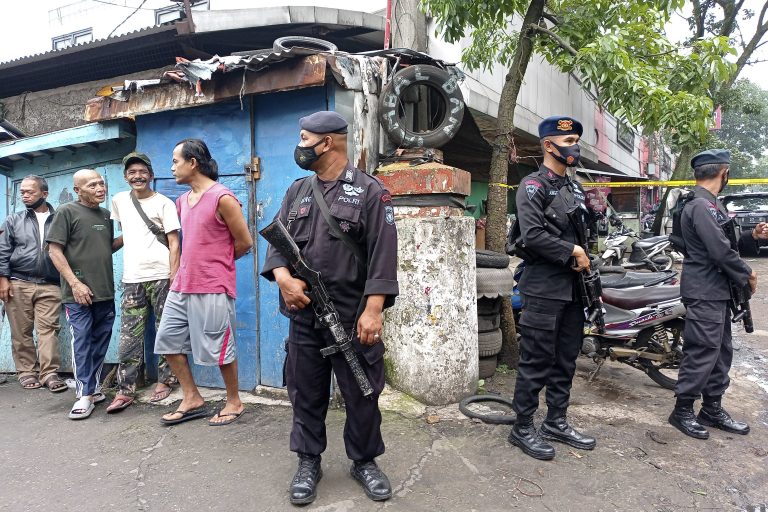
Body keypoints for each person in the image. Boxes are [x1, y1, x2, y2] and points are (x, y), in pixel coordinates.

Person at [261, 111, 399, 505]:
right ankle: (308, 461)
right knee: (305, 392)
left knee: (362, 391)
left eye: (305, 138)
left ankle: (365, 461)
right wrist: (284, 279)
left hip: (353, 318)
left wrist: (374, 310)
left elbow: (383, 255)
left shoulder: (371, 192)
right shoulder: (297, 191)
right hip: (305, 316)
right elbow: (278, 244)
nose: (300, 146)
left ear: (329, 142)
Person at [508, 116, 596, 461]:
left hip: (574, 289)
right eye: (569, 139)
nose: (575, 146)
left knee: (566, 359)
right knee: (536, 360)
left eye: (576, 139)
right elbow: (532, 236)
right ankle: (523, 426)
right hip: (544, 287)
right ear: (549, 145)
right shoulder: (533, 186)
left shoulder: (574, 187)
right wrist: (572, 251)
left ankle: (556, 421)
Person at [668, 149, 768, 439]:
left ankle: (712, 408)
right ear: (724, 172)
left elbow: (726, 241)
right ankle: (683, 411)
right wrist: (747, 273)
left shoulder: (711, 204)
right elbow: (719, 251)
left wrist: (752, 236)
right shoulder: (700, 205)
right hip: (705, 290)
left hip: (717, 291)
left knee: (720, 352)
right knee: (701, 352)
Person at [154, 139, 253, 427]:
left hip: (212, 285)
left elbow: (244, 242)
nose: (172, 167)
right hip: (183, 284)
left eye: (175, 161)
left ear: (192, 163)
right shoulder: (182, 201)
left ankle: (234, 401)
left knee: (219, 347)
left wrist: (215, 264)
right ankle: (192, 397)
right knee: (168, 342)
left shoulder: (223, 198)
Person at [105, 152, 181, 413]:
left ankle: (166, 380)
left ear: (150, 175)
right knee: (129, 336)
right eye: (131, 172)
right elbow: (127, 233)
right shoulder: (119, 201)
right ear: (125, 177)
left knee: (165, 330)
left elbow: (174, 241)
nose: (137, 176)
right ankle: (125, 389)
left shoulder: (164, 203)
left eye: (141, 172)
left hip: (161, 275)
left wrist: (174, 272)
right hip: (132, 279)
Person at [47, 169, 123, 419]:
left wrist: (131, 234)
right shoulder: (66, 212)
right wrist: (75, 283)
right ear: (78, 190)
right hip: (77, 294)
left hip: (104, 291)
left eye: (101, 183)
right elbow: (54, 251)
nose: (100, 188)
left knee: (100, 341)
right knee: (81, 342)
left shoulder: (105, 215)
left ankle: (93, 388)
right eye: (92, 185)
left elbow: (105, 248)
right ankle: (84, 395)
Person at [0, 175, 65, 393]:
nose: (25, 195)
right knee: (21, 331)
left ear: (44, 194)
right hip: (19, 282)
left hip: (51, 283)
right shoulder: (13, 220)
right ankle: (26, 371)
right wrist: (3, 279)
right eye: (23, 192)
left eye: (30, 192)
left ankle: (49, 373)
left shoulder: (60, 219)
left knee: (48, 330)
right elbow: (3, 251)